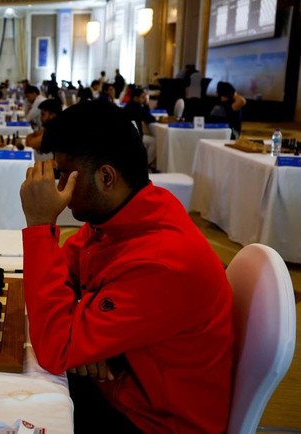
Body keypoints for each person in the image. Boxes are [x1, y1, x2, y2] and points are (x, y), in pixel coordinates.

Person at [19, 101, 234, 433]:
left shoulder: (163, 262)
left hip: (153, 422)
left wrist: (39, 225)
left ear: (106, 177)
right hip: (122, 388)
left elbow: (55, 347)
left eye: (63, 174)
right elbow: (67, 271)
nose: (59, 188)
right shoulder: (125, 211)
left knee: (9, 400)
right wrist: (86, 340)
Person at [122, 87, 157, 167]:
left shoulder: (128, 106)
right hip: (135, 137)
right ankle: (145, 164)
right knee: (153, 141)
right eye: (142, 97)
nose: (144, 98)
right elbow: (150, 119)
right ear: (136, 98)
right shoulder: (137, 108)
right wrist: (146, 104)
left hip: (126, 137)